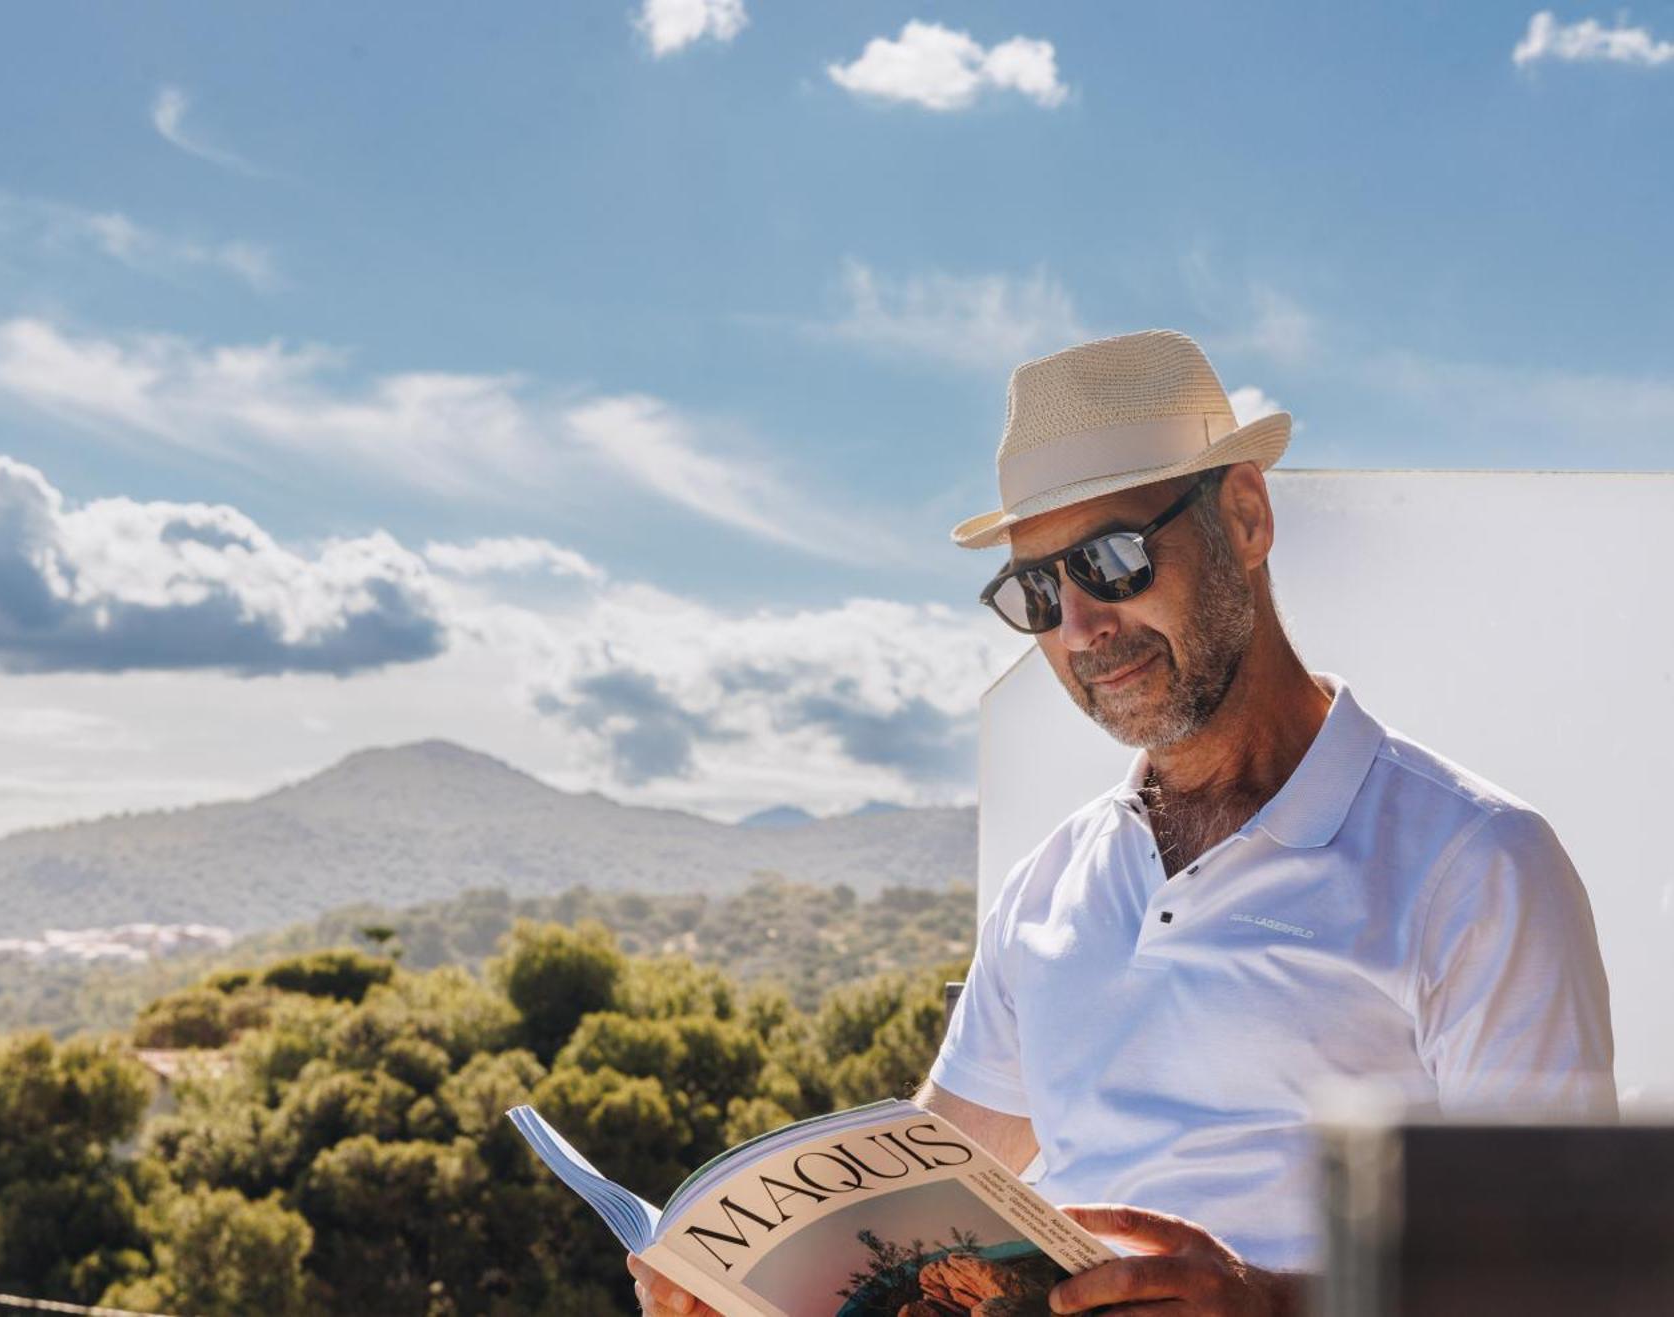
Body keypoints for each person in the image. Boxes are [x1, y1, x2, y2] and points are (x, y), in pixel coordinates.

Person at [630, 329, 1614, 1316]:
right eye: (1032, 591)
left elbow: (1560, 1269)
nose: (1077, 627)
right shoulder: (1048, 887)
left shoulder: (1473, 862)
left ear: (1243, 517)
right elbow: (924, 1193)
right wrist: (745, 1288)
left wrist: (1273, 1304)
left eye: (1109, 559)